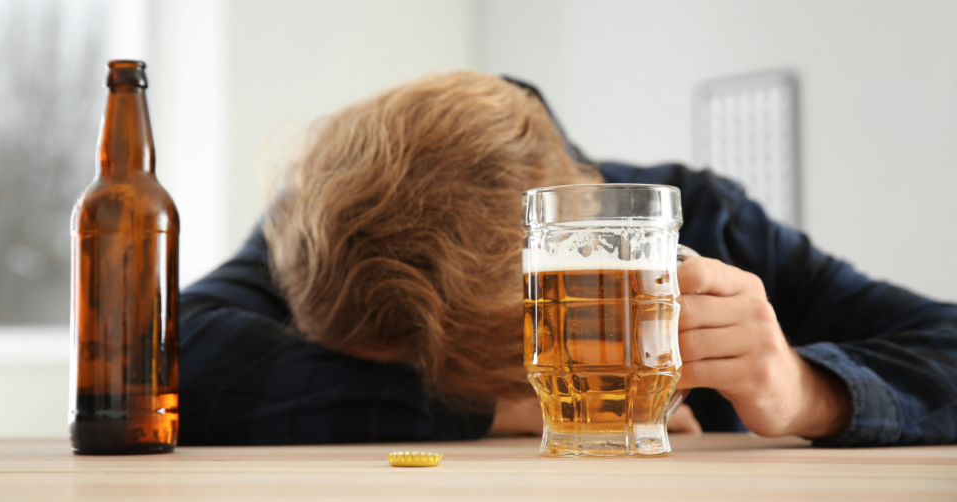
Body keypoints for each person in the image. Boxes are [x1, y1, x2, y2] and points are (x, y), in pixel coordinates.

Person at [178, 71, 957, 447]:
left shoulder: (711, 229)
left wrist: (810, 391)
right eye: (359, 369)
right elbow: (164, 359)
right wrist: (505, 409)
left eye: (423, 370)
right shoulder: (323, 218)